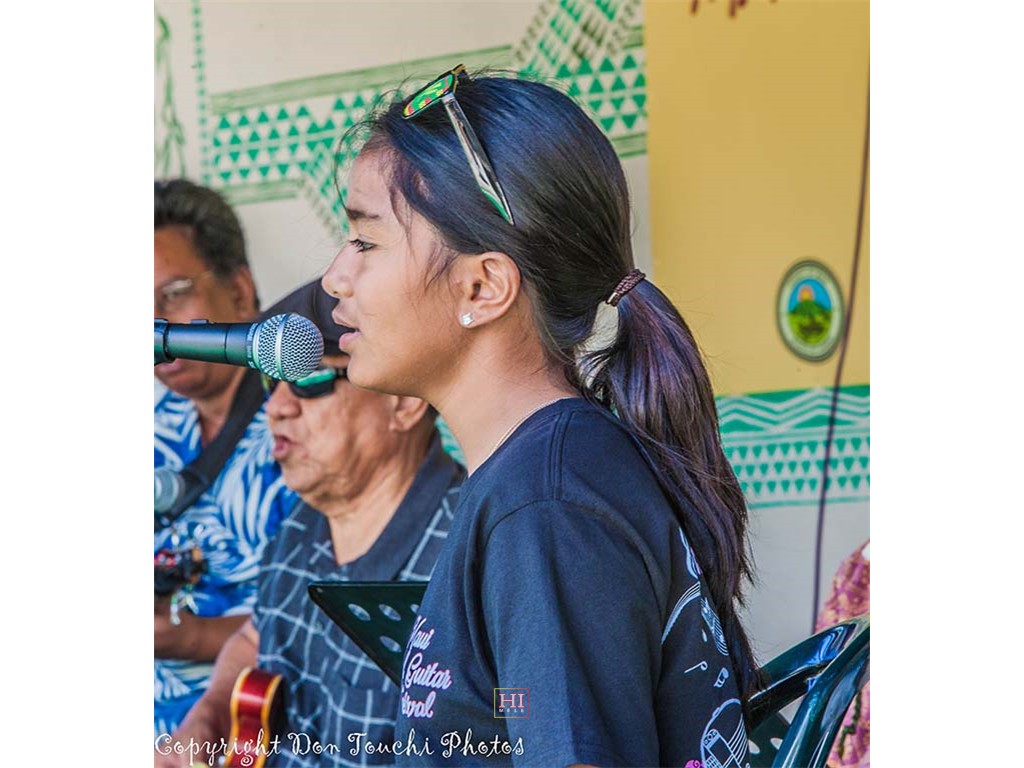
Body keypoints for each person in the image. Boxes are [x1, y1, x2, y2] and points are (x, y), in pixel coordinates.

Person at [320, 66, 761, 767]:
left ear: (482, 287)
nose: (335, 277)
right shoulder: (547, 477)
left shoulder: (547, 506)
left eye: (366, 243)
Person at [156, 280, 465, 768]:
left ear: (404, 402)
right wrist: (212, 712)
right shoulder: (301, 523)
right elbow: (257, 637)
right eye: (271, 383)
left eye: (307, 378)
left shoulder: (471, 557)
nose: (276, 407)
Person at [154, 179, 295, 736]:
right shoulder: (149, 425)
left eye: (174, 293)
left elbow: (332, 613)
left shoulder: (308, 421)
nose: (153, 321)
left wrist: (191, 637)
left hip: (255, 737)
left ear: (239, 291)